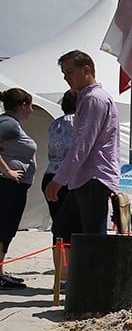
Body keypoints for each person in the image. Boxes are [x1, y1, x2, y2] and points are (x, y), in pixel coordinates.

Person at [44, 50, 120, 242]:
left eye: (69, 72)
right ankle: (74, 272)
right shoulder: (89, 98)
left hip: (92, 178)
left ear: (86, 70)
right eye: (64, 73)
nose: (66, 78)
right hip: (86, 178)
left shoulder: (94, 99)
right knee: (65, 229)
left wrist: (59, 179)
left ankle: (92, 272)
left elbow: (82, 144)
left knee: (91, 237)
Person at [0, 88, 38, 289]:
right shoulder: (9, 124)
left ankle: (1, 270)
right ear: (22, 105)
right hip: (8, 185)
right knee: (5, 226)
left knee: (7, 226)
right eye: (30, 106)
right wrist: (8, 172)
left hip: (13, 186)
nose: (31, 110)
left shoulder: (11, 124)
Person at [42, 90, 76, 222]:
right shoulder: (79, 122)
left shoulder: (55, 123)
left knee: (58, 224)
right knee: (73, 227)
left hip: (50, 174)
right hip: (68, 177)